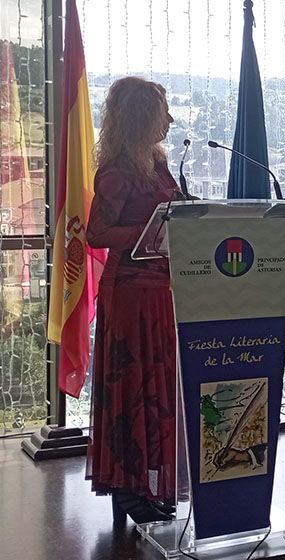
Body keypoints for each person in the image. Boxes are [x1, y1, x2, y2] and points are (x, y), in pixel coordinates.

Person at [86, 77, 181, 524]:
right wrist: (151, 231)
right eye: (163, 112)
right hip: (129, 292)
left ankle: (150, 482)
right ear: (142, 116)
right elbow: (97, 233)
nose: (170, 119)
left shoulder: (157, 164)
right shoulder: (117, 170)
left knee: (157, 386)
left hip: (162, 289)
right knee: (132, 386)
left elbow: (172, 211)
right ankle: (126, 485)